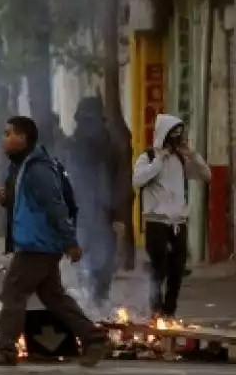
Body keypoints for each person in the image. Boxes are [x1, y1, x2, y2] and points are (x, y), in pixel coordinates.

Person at [0, 115, 108, 367]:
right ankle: (94, 338)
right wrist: (7, 198)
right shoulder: (22, 165)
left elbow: (54, 206)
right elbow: (29, 201)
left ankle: (5, 350)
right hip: (37, 243)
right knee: (53, 296)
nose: (3, 139)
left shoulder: (39, 169)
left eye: (8, 133)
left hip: (38, 245)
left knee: (13, 291)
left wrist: (70, 241)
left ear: (22, 138)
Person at [132, 113, 211, 318]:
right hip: (156, 222)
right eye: (173, 135)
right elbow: (137, 180)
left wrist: (192, 155)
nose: (176, 140)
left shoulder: (182, 161)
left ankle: (169, 312)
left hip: (178, 223)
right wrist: (159, 160)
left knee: (177, 270)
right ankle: (155, 310)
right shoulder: (148, 157)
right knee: (160, 268)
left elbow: (206, 175)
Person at [62, 97, 122, 308]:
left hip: (105, 212)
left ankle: (100, 300)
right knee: (82, 259)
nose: (88, 126)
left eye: (92, 121)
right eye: (85, 121)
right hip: (79, 213)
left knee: (104, 261)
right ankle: (87, 302)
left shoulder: (111, 148)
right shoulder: (71, 146)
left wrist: (120, 214)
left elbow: (121, 180)